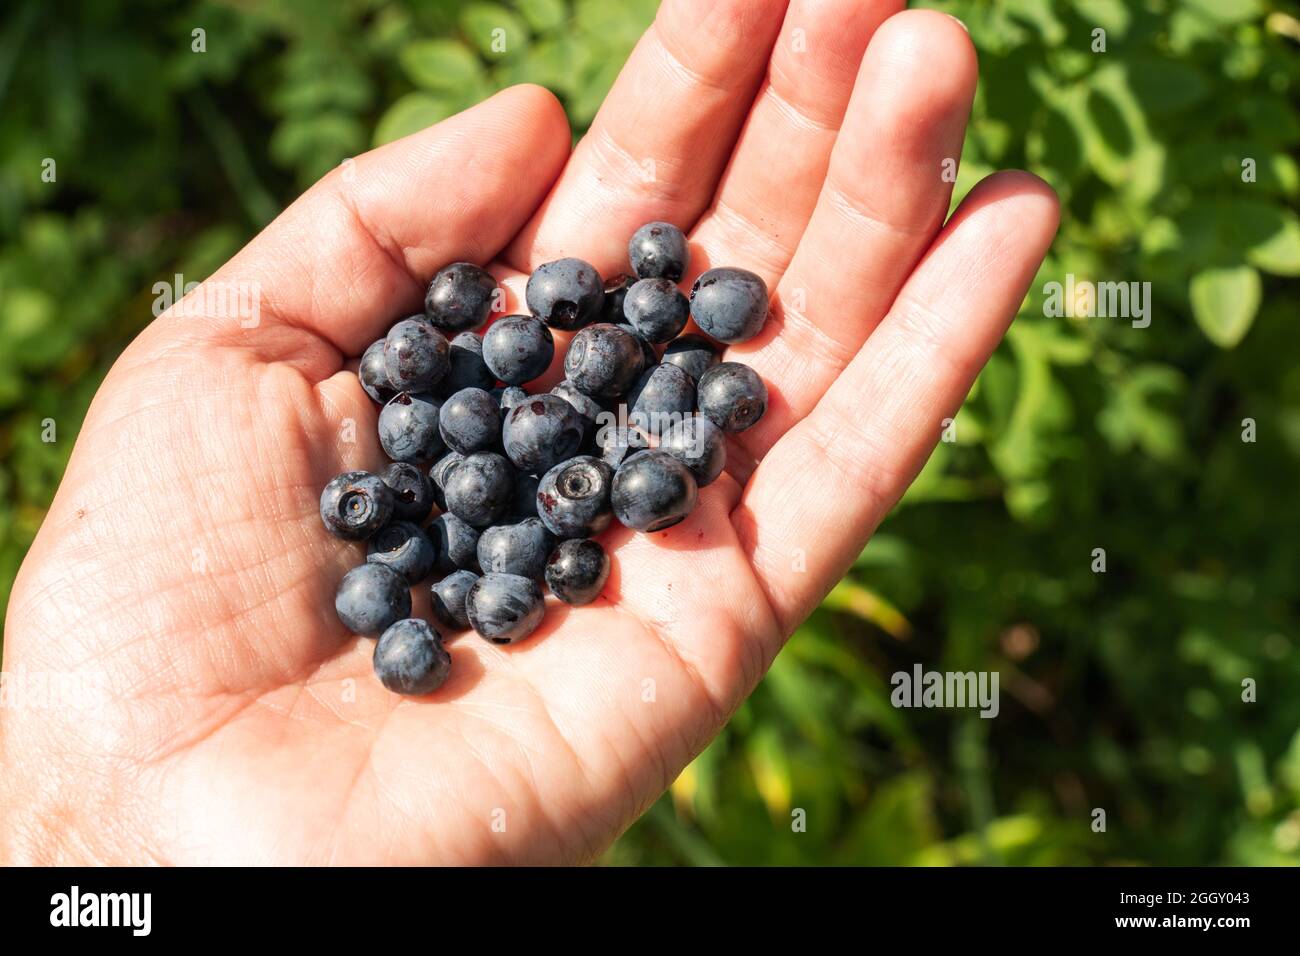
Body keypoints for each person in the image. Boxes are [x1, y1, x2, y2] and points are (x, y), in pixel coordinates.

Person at [0, 2, 1057, 864]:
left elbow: (565, 451)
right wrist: (89, 827)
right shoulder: (449, 500)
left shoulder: (608, 397)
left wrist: (89, 833)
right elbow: (488, 481)